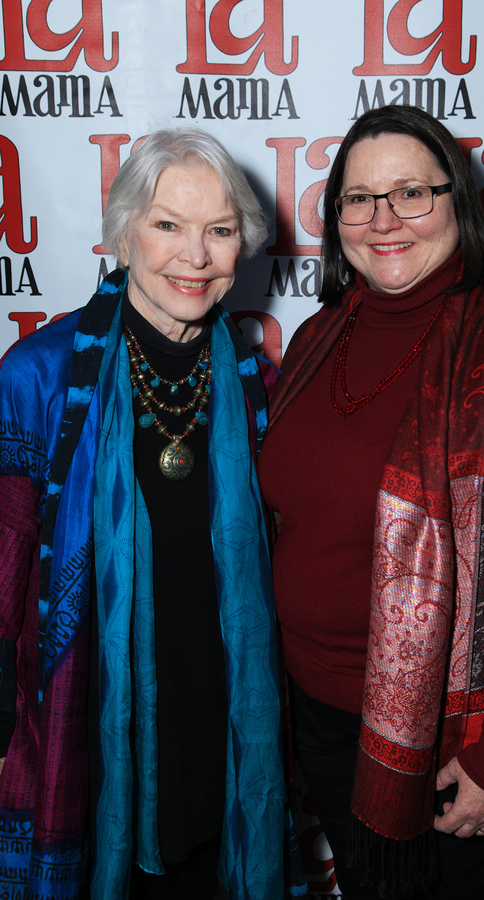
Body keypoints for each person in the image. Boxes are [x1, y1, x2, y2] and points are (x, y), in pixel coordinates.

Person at [258, 105, 484, 900]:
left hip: (458, 743)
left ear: (460, 204)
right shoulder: (318, 338)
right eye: (358, 198)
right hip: (322, 719)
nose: (384, 220)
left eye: (412, 192)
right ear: (335, 214)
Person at [0, 127, 291, 900]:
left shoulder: (259, 383)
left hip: (221, 724)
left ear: (243, 248)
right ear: (123, 235)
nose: (193, 255)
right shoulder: (41, 376)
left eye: (219, 231)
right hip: (84, 726)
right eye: (166, 224)